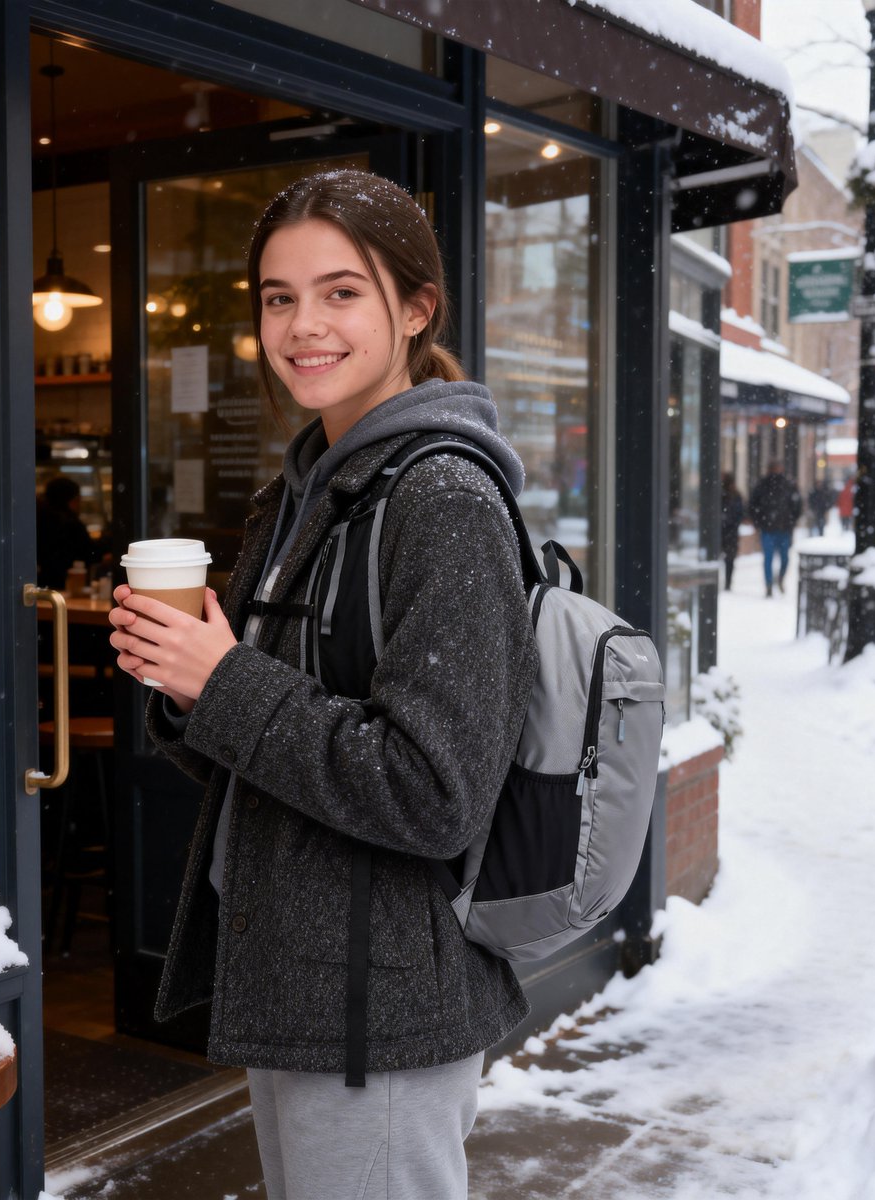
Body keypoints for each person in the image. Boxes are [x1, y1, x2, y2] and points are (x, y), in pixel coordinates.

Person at [108, 169, 537, 1199]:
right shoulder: (307, 488)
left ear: (416, 309)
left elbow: (433, 791)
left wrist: (227, 686)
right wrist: (188, 688)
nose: (305, 324)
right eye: (278, 296)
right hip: (302, 985)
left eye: (342, 292)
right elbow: (258, 728)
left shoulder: (444, 500)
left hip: (377, 1011)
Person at [35, 475, 101, 590]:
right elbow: (89, 552)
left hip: (40, 584)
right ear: (72, 500)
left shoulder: (37, 518)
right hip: (66, 585)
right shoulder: (70, 523)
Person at [748, 460, 802, 597]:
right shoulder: (764, 485)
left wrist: (792, 520)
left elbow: (797, 505)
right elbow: (753, 505)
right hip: (769, 528)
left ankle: (779, 579)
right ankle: (768, 584)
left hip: (783, 528)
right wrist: (758, 522)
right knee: (769, 558)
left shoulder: (788, 485)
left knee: (784, 558)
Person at [721, 471, 745, 591]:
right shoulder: (733, 495)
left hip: (728, 531)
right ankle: (727, 581)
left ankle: (727, 581)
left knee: (728, 558)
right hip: (729, 531)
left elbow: (740, 513)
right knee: (729, 559)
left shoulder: (732, 496)